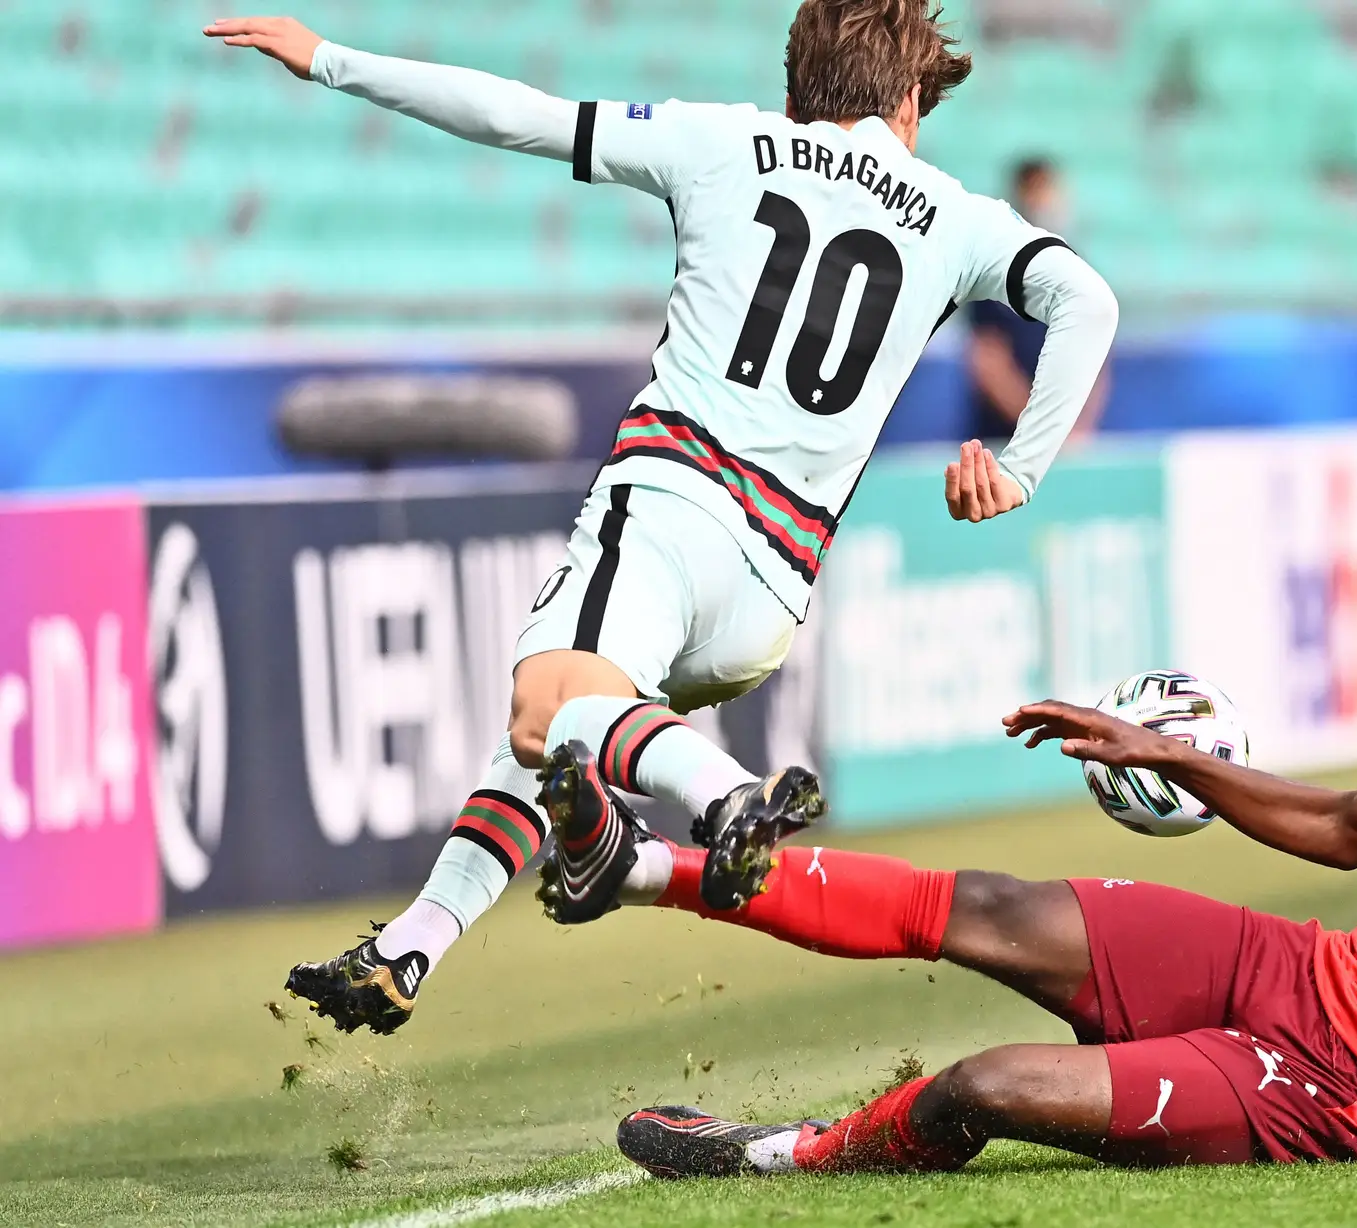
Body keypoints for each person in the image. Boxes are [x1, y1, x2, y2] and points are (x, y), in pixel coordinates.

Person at [206, 1, 1119, 1035]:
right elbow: (1088, 301)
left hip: (673, 508)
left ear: (797, 88)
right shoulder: (956, 216)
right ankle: (414, 940)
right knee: (567, 725)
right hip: (769, 596)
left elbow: (517, 115)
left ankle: (725, 795)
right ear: (909, 103)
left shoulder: (724, 140)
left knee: (548, 701)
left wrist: (330, 62)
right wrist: (1021, 468)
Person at [601, 577, 1357, 1175]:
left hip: (1353, 1094)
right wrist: (1172, 757)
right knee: (987, 905)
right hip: (1302, 969)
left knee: (987, 1084)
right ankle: (646, 864)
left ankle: (775, 1157)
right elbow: (1346, 826)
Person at [965, 158, 1109, 444]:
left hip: (1066, 440)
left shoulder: (1077, 268)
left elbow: (1097, 355)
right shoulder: (994, 270)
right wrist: (1040, 428)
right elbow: (988, 362)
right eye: (1036, 192)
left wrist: (1074, 428)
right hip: (1003, 440)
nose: (1046, 202)